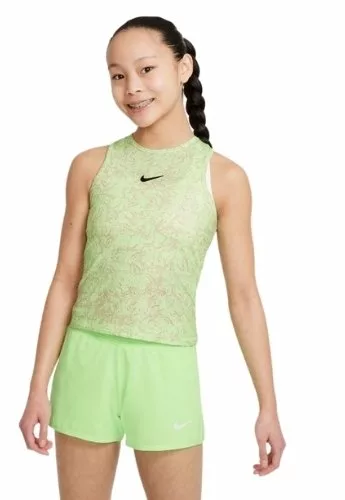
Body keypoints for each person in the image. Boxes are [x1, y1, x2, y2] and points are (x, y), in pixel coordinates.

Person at [19, 15, 286, 500]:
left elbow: (244, 296)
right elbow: (65, 280)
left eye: (146, 70)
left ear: (183, 68)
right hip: (86, 364)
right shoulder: (90, 166)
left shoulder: (224, 178)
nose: (132, 88)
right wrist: (38, 386)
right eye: (117, 75)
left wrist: (267, 405)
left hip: (167, 369)